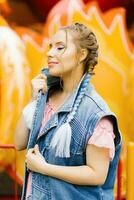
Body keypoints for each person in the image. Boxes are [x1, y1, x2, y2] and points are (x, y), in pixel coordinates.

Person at [14, 23, 122, 200]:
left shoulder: (95, 112)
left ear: (82, 54)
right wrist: (33, 99)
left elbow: (97, 174)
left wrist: (44, 168)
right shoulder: (45, 95)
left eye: (60, 47)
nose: (49, 53)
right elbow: (19, 143)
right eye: (50, 47)